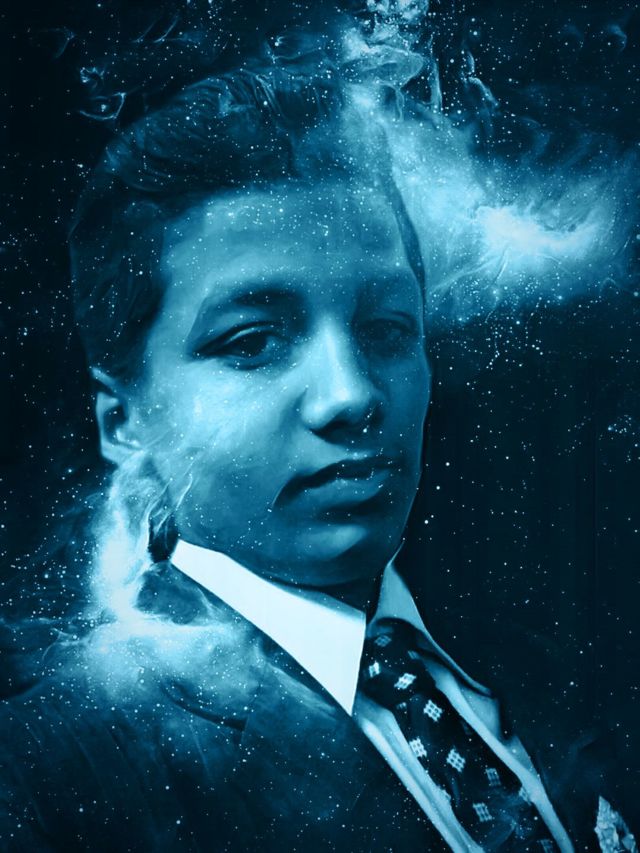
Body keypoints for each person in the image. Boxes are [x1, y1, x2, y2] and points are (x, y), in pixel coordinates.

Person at [0, 26, 633, 853]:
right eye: (252, 340)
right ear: (123, 421)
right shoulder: (47, 775)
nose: (352, 395)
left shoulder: (554, 668)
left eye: (387, 327)